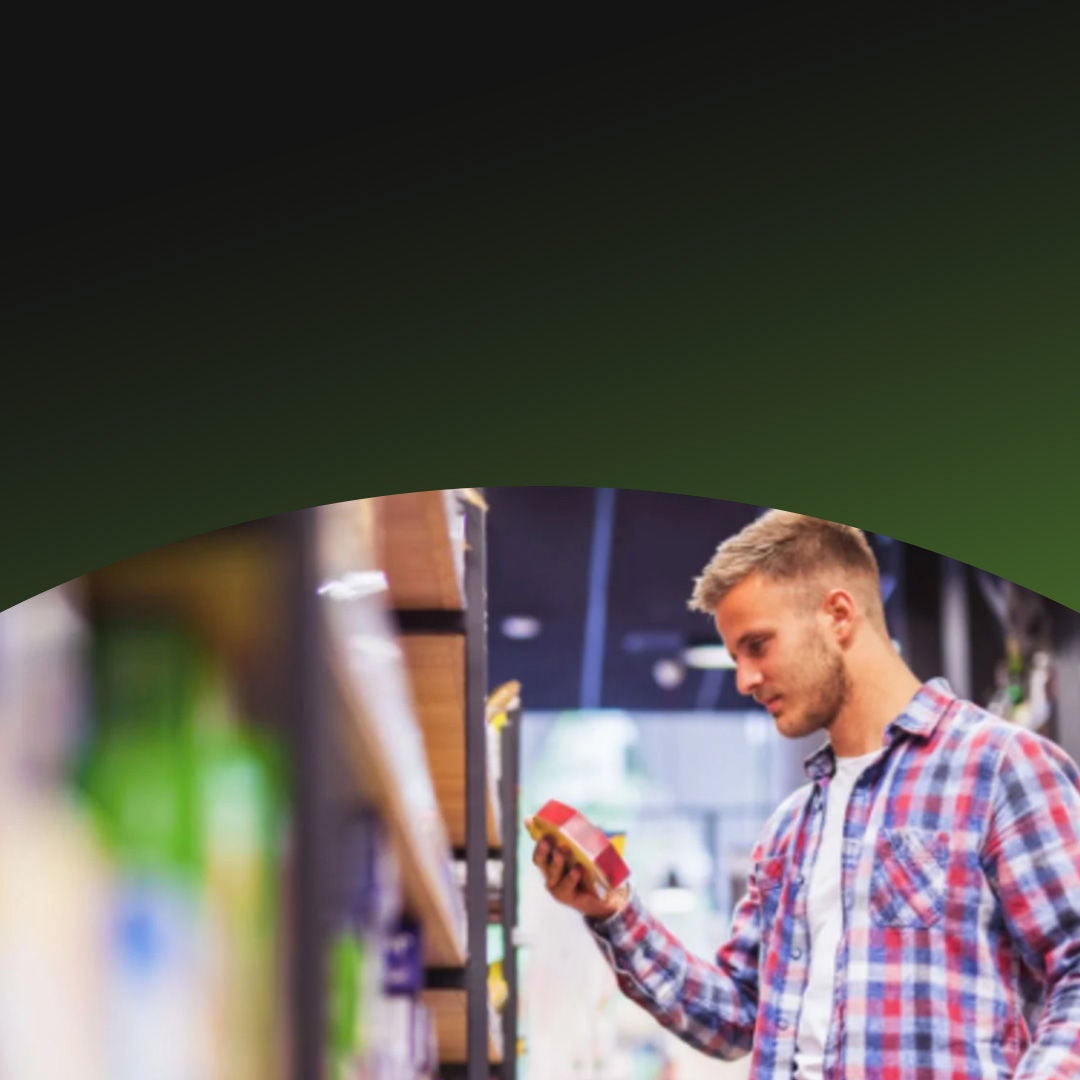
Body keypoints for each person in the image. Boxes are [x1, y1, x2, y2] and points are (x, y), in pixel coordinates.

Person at [527, 511, 1080, 1079]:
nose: (743, 679)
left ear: (839, 615)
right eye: (736, 656)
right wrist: (614, 912)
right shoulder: (792, 829)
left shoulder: (999, 769)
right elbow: (735, 1016)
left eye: (757, 645)